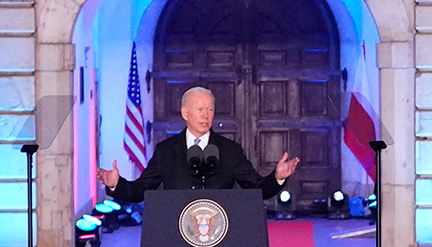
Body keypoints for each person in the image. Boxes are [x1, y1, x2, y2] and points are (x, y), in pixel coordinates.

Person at [96, 84, 302, 199]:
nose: (206, 115)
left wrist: (277, 178)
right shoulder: (166, 151)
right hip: (176, 236)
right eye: (200, 110)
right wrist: (117, 185)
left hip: (221, 235)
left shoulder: (230, 151)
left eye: (210, 110)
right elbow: (141, 189)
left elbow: (257, 188)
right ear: (185, 113)